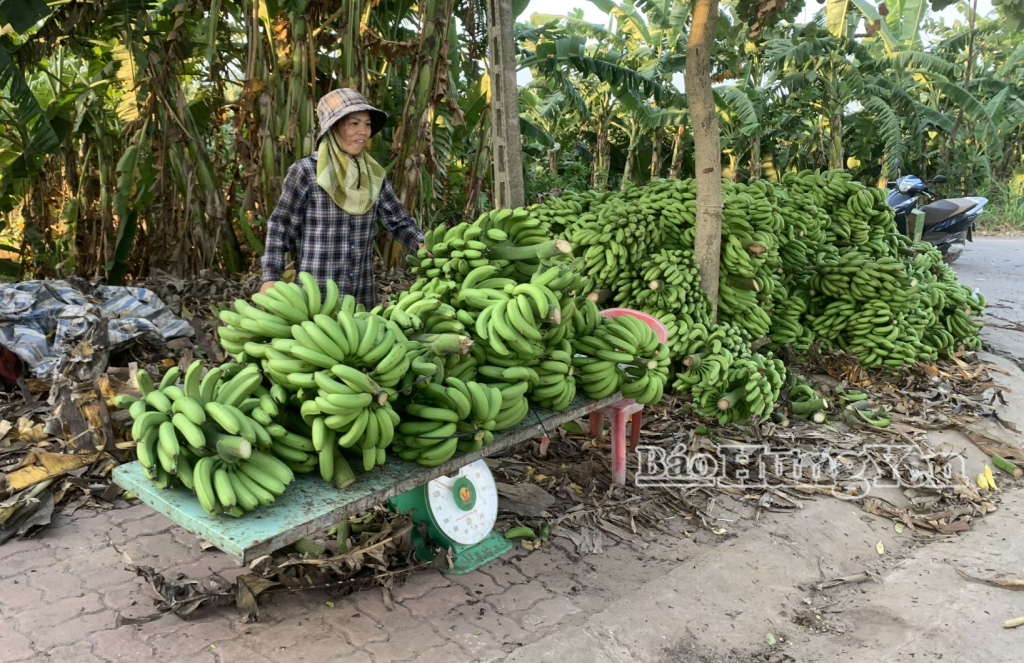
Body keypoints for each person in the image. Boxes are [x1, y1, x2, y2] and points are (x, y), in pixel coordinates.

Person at [260, 88, 425, 307]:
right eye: (354, 123)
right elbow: (281, 226)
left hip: (360, 293)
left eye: (367, 124)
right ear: (333, 128)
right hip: (315, 295)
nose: (363, 132)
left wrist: (421, 243)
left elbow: (397, 220)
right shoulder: (307, 172)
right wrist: (270, 275)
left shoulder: (374, 175)